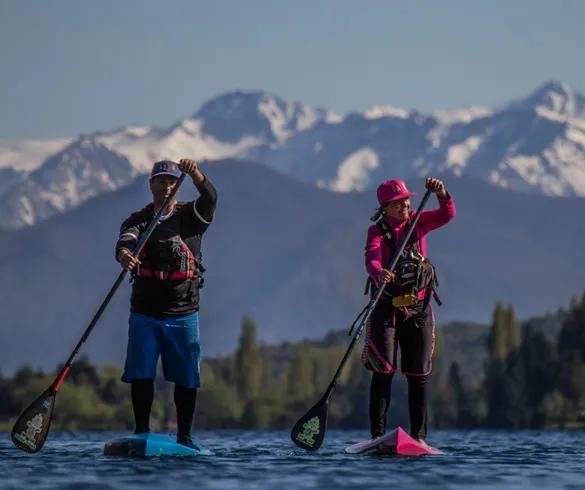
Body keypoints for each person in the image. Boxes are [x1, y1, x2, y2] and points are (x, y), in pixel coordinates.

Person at [115, 158, 217, 448]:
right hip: (145, 312)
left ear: (177, 186)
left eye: (172, 182)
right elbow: (125, 241)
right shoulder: (137, 220)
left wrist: (195, 173)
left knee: (186, 377)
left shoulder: (193, 216)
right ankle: (142, 433)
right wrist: (124, 254)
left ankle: (184, 437)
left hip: (183, 311)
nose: (167, 187)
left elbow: (210, 196)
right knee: (141, 373)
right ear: (151, 185)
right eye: (161, 181)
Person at [363, 176, 455, 446]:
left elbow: (447, 214)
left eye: (407, 200)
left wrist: (442, 193)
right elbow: (371, 257)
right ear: (386, 207)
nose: (405, 204)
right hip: (386, 306)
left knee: (418, 374)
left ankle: (419, 438)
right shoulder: (376, 231)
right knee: (384, 370)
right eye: (399, 202)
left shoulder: (419, 221)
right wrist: (379, 273)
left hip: (419, 307)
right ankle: (377, 437)